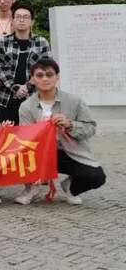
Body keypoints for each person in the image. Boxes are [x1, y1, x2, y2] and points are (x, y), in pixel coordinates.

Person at [15, 58, 106, 206]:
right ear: (33, 79)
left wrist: (70, 125)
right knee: (17, 156)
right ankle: (31, 188)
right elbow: (25, 139)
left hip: (69, 152)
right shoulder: (26, 107)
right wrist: (38, 131)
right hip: (40, 153)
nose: (45, 79)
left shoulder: (75, 101)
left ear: (57, 77)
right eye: (39, 75)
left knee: (96, 177)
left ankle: (71, 187)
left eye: (49, 75)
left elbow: (90, 128)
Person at [0, 3, 51, 125]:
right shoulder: (3, 42)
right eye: (18, 17)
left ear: (32, 22)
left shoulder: (41, 42)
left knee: (32, 133)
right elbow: (0, 68)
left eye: (26, 17)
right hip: (6, 97)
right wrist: (15, 87)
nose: (21, 20)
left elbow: (46, 68)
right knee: (8, 133)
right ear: (12, 21)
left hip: (34, 97)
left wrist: (27, 86)